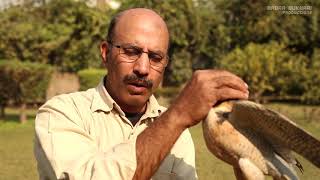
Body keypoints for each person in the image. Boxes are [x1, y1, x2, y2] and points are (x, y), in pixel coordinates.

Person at [34, 8, 249, 180]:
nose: (143, 68)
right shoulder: (61, 113)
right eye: (131, 51)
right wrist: (178, 115)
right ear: (105, 53)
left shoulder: (179, 134)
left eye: (155, 57)